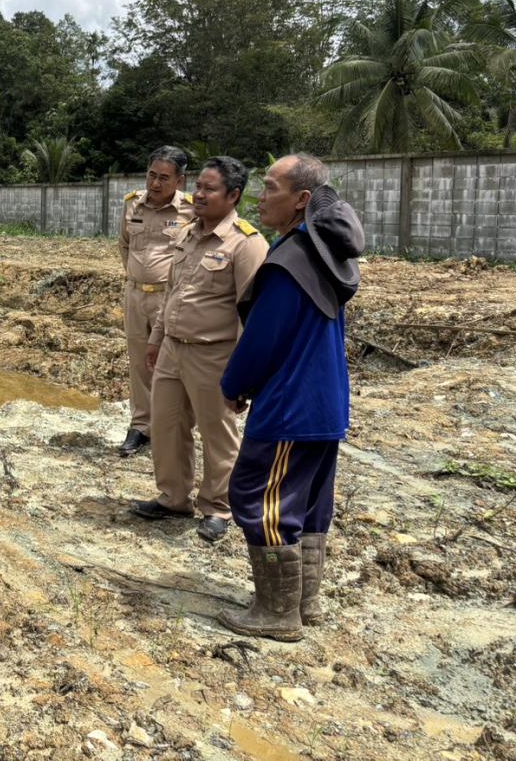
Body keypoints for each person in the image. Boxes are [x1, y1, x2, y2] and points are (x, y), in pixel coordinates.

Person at [217, 155, 364, 642]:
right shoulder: (324, 252)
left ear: (301, 200)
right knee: (307, 500)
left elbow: (263, 338)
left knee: (259, 495)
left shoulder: (289, 260)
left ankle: (276, 611)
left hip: (291, 405)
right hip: (324, 402)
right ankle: (305, 602)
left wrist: (234, 385)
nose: (259, 197)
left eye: (269, 187)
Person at [131, 157, 268, 542]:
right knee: (166, 425)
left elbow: (251, 315)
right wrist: (157, 339)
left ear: (233, 195)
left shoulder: (246, 244)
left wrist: (244, 373)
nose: (200, 195)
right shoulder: (188, 234)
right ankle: (173, 497)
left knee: (217, 433)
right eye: (199, 187)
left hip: (214, 355)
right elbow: (173, 293)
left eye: (210, 189)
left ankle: (218, 507)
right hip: (173, 349)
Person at [117, 146, 194, 457]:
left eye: (164, 178)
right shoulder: (132, 204)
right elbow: (124, 245)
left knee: (171, 363)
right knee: (139, 363)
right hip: (135, 295)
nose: (155, 183)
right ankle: (141, 426)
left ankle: (172, 426)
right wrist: (137, 276)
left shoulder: (190, 210)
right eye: (151, 175)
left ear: (179, 180)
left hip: (169, 297)